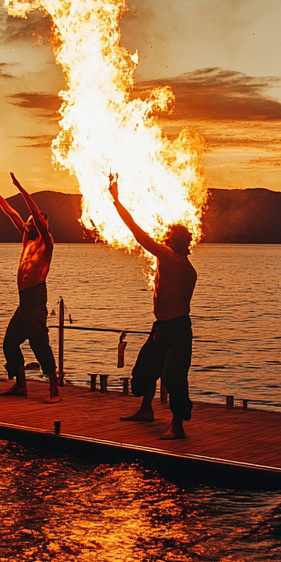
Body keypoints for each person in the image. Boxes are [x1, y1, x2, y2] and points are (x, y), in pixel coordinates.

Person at [109, 174, 197, 439]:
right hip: (161, 327)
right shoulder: (178, 262)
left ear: (175, 243)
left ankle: (177, 426)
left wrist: (116, 200)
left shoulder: (173, 260)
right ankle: (146, 409)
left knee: (174, 376)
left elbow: (137, 233)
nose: (166, 240)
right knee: (145, 370)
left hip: (178, 330)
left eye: (170, 237)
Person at [0, 170, 61, 402]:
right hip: (23, 302)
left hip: (37, 299)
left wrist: (19, 185)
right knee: (9, 343)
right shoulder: (26, 239)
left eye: (33, 221)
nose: (28, 223)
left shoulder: (46, 242)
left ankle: (54, 390)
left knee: (39, 344)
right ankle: (20, 385)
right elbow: (9, 210)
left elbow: (35, 214)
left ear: (42, 224)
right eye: (27, 222)